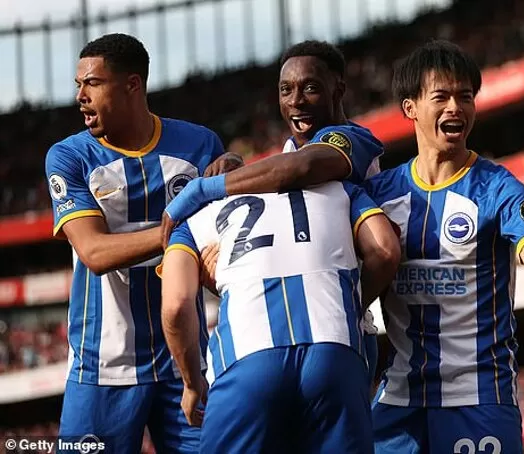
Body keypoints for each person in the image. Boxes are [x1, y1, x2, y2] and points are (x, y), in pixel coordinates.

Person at [362, 40, 524, 453]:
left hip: (478, 397)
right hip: (399, 400)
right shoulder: (379, 193)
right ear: (410, 107)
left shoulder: (500, 190)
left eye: (466, 97)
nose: (455, 108)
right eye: (441, 96)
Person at [44, 33, 239, 453]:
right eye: (78, 84)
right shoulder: (68, 157)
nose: (80, 96)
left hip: (186, 363)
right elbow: (94, 253)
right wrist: (178, 228)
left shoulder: (199, 145)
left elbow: (223, 226)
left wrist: (232, 174)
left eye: (92, 83)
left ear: (132, 85)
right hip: (103, 368)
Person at [161, 40, 389, 385]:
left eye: (310, 88)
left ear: (338, 89)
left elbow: (299, 169)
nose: (296, 101)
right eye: (286, 90)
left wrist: (205, 188)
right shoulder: (289, 152)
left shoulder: (352, 140)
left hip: (340, 330)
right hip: (286, 328)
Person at [159, 179, 400, 453]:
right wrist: (351, 303)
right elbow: (384, 250)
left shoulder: (194, 217)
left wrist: (191, 383)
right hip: (335, 350)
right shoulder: (341, 189)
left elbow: (176, 305)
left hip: (247, 361)